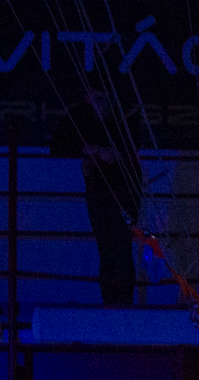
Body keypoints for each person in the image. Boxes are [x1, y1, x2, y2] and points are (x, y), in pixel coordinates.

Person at [49, 87, 143, 307]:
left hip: (124, 191)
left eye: (101, 98)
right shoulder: (81, 117)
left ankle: (123, 305)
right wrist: (91, 150)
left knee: (121, 248)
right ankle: (110, 304)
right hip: (97, 191)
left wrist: (106, 152)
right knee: (106, 250)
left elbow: (129, 147)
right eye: (92, 98)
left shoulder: (125, 116)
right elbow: (58, 146)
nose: (96, 103)